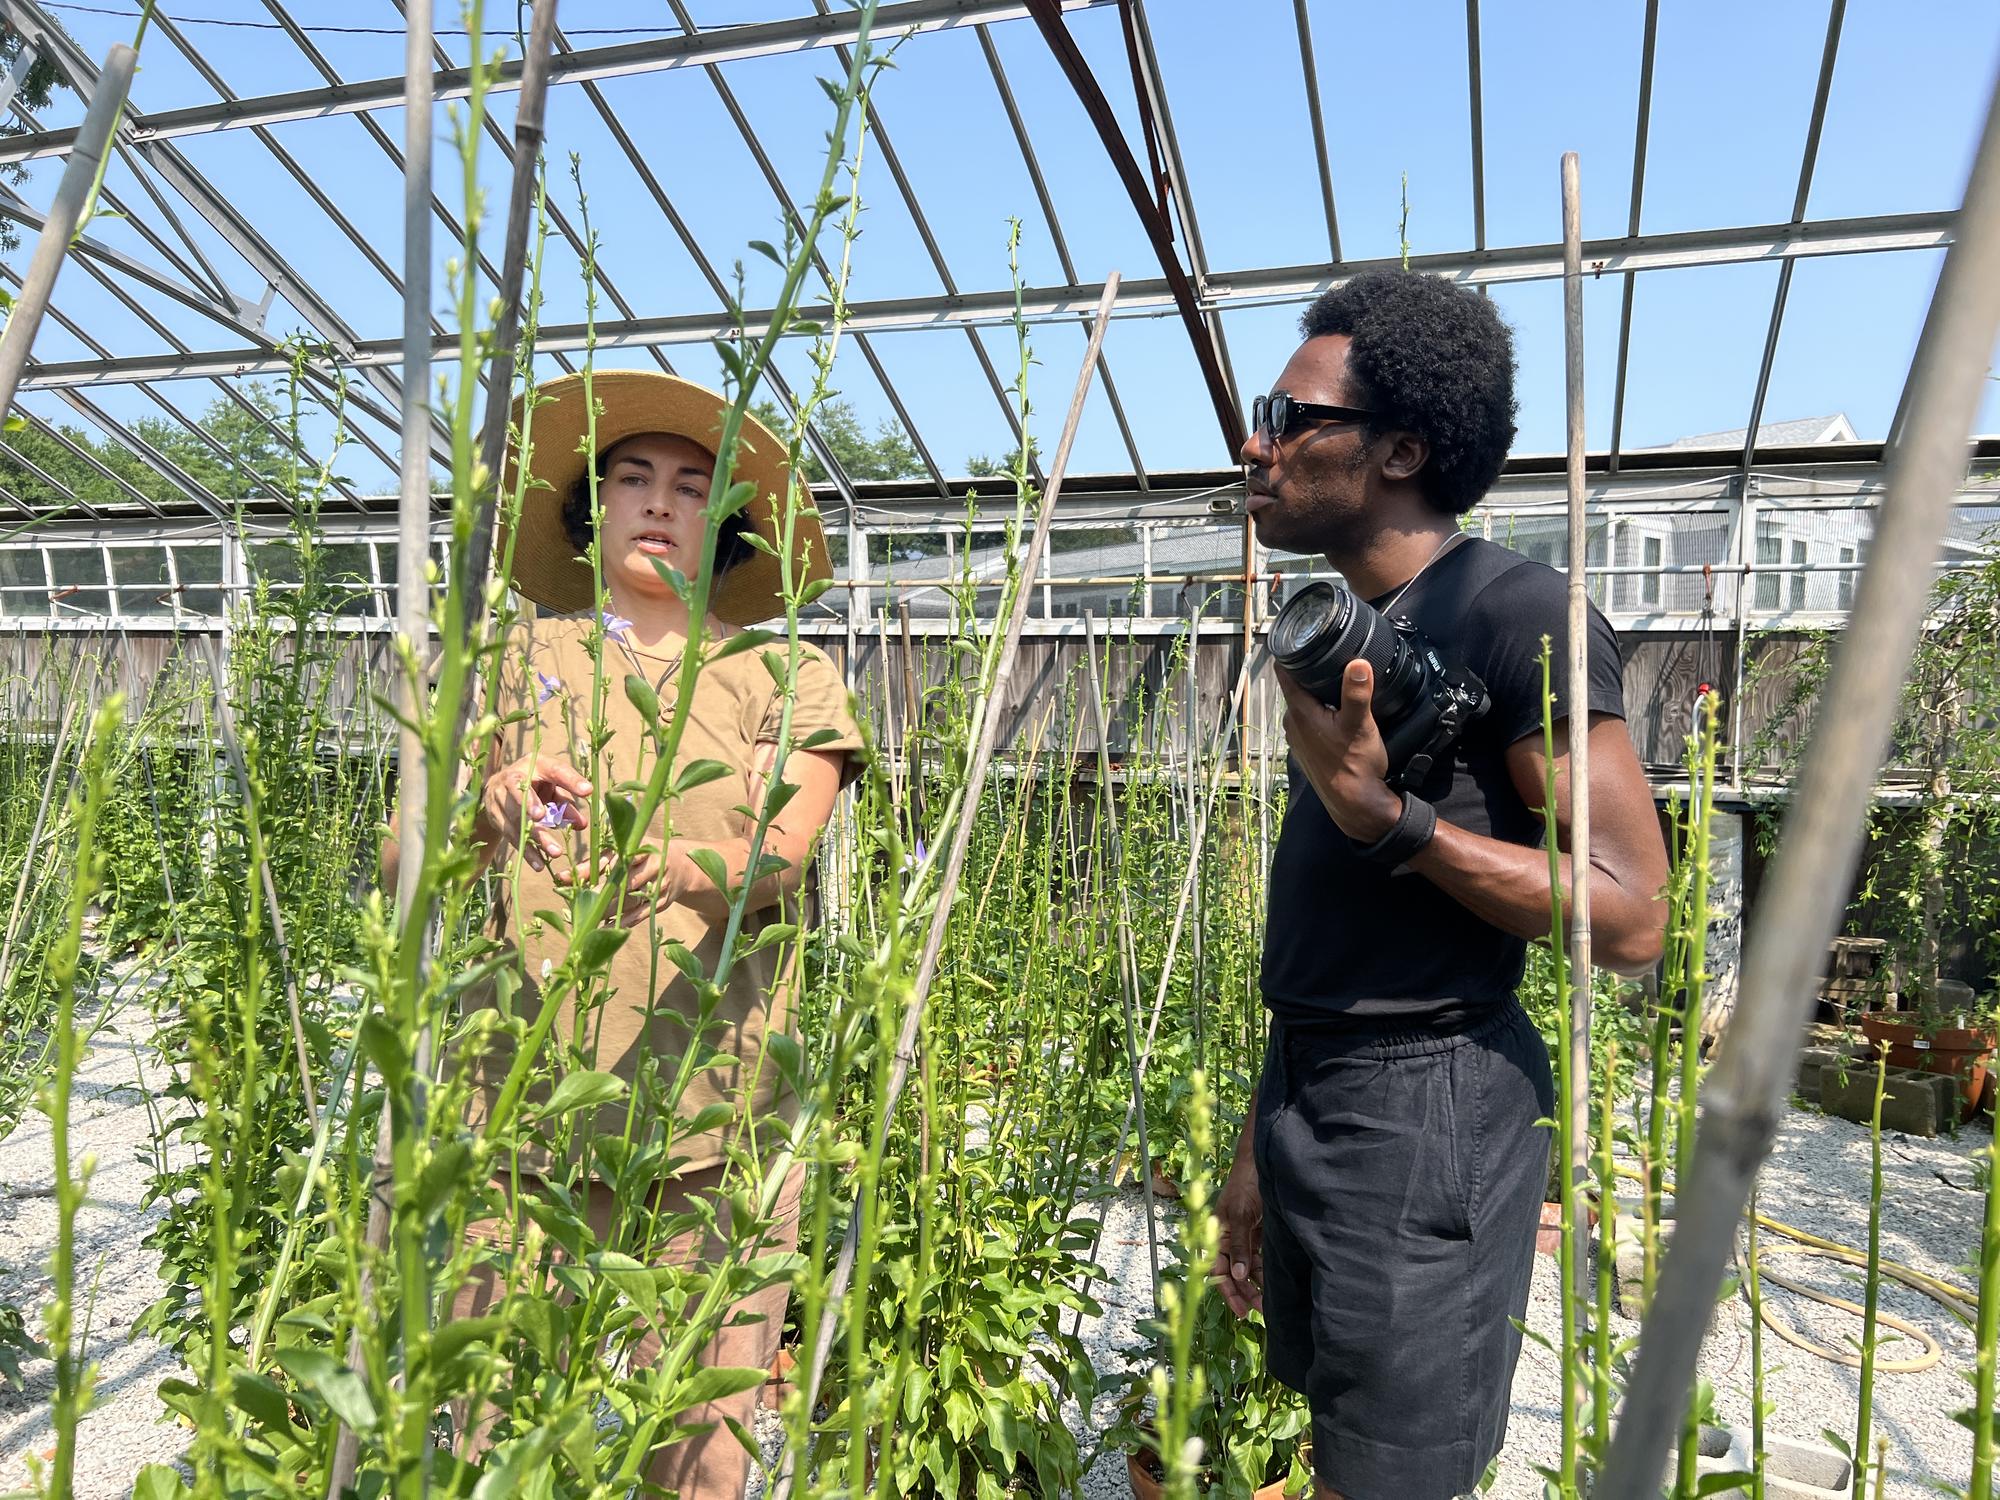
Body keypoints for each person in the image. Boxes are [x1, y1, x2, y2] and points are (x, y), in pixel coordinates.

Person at [1212, 273, 1669, 1500]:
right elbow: (1336, 935)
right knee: (1337, 1439)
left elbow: (1629, 914)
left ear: (1400, 449)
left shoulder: (1517, 612)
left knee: (1397, 1474)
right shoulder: (1353, 627)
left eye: (1288, 416)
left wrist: (1396, 822)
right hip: (1317, 1081)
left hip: (1429, 1108)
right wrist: (1262, 1137)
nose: (1253, 444)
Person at [445, 370, 860, 1496]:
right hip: (514, 1104)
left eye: (695, 484)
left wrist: (675, 868)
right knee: (500, 1423)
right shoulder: (512, 661)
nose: (661, 501)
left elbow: (785, 850)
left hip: (713, 1115)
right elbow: (399, 869)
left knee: (698, 1427)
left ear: (728, 523)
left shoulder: (783, 671)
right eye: (633, 477)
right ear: (592, 509)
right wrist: (481, 809)